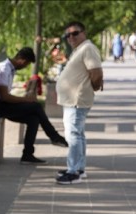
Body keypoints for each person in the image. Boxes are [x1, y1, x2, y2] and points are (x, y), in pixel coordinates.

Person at [0, 47, 69, 165]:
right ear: (22, 60)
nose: (25, 67)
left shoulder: (10, 69)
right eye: (26, 64)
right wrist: (26, 99)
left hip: (3, 105)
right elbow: (4, 97)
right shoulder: (3, 69)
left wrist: (25, 101)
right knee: (36, 107)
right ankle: (54, 136)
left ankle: (27, 154)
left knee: (34, 119)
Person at [55, 21, 103, 185]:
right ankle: (79, 168)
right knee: (78, 135)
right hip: (72, 100)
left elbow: (96, 72)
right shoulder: (80, 49)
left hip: (76, 100)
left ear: (84, 32)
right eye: (67, 35)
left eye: (75, 33)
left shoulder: (87, 48)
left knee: (73, 135)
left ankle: (73, 171)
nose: (71, 37)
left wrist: (94, 86)